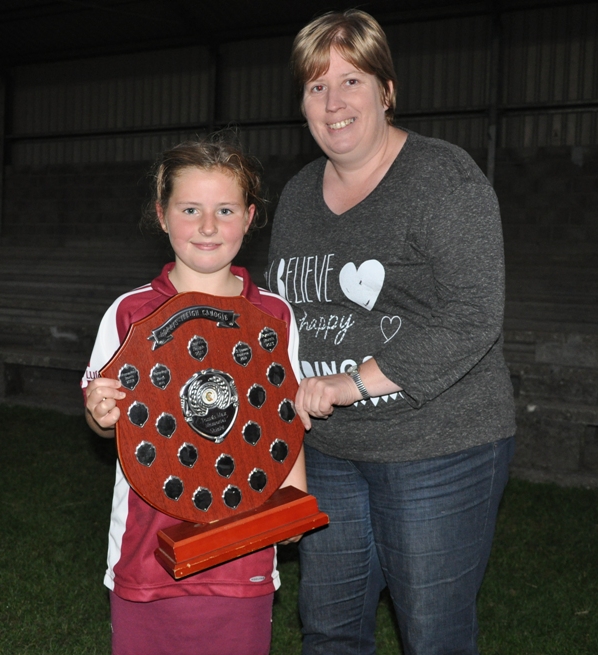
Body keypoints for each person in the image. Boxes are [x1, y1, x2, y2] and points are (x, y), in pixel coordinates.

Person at [265, 9, 516, 655]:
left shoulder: (442, 177)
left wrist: (351, 382)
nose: (334, 101)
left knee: (433, 636)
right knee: (328, 629)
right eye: (316, 86)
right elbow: (282, 317)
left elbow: (472, 315)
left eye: (351, 80)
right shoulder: (296, 196)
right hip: (331, 453)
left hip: (438, 450)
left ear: (387, 89)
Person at [82, 134, 306, 655]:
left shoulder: (274, 316)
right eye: (190, 209)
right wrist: (99, 411)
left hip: (242, 556)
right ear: (162, 215)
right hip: (146, 559)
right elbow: (102, 418)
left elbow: (282, 416)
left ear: (250, 218)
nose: (208, 227)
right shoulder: (130, 313)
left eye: (225, 210)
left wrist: (291, 503)